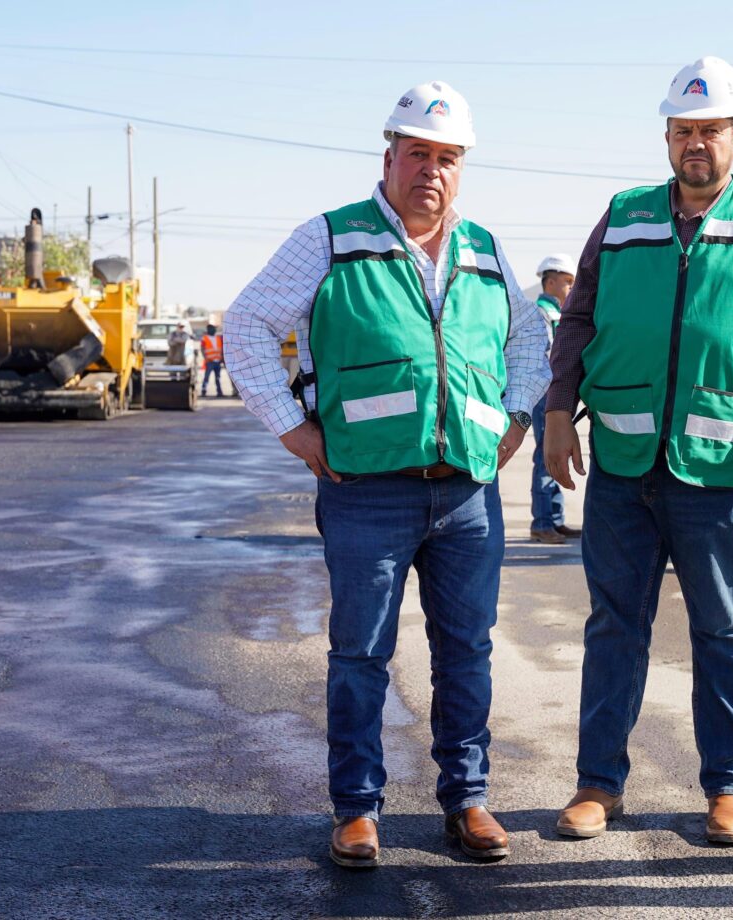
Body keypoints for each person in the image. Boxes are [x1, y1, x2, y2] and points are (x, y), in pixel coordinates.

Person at [225, 80, 550, 867]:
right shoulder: (330, 238)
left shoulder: (484, 249)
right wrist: (296, 432)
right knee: (361, 651)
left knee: (467, 650)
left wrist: (509, 425)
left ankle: (468, 801)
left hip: (466, 492)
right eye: (417, 155)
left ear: (460, 168)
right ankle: (356, 809)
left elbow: (529, 344)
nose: (430, 172)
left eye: (446, 158)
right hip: (367, 490)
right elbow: (246, 325)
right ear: (389, 157)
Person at [544, 57, 733, 845]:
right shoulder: (623, 215)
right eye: (684, 131)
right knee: (613, 626)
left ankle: (731, 787)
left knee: (724, 629)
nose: (697, 144)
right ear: (666, 135)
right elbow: (579, 320)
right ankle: (598, 784)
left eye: (711, 131)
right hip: (623, 467)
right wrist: (560, 411)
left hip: (717, 470)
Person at [530, 254, 577, 544]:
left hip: (555, 392)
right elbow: (545, 355)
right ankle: (542, 522)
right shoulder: (540, 313)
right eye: (567, 282)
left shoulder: (559, 313)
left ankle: (556, 520)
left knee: (558, 457)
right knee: (547, 456)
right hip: (545, 393)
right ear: (550, 282)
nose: (571, 288)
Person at [200, 324, 225, 397]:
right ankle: (203, 390)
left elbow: (221, 349)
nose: (215, 330)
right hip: (210, 361)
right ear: (209, 329)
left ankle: (219, 392)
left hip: (218, 361)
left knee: (218, 377)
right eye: (213, 328)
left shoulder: (218, 338)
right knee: (206, 377)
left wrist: (222, 358)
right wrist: (205, 358)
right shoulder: (204, 338)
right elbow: (202, 349)